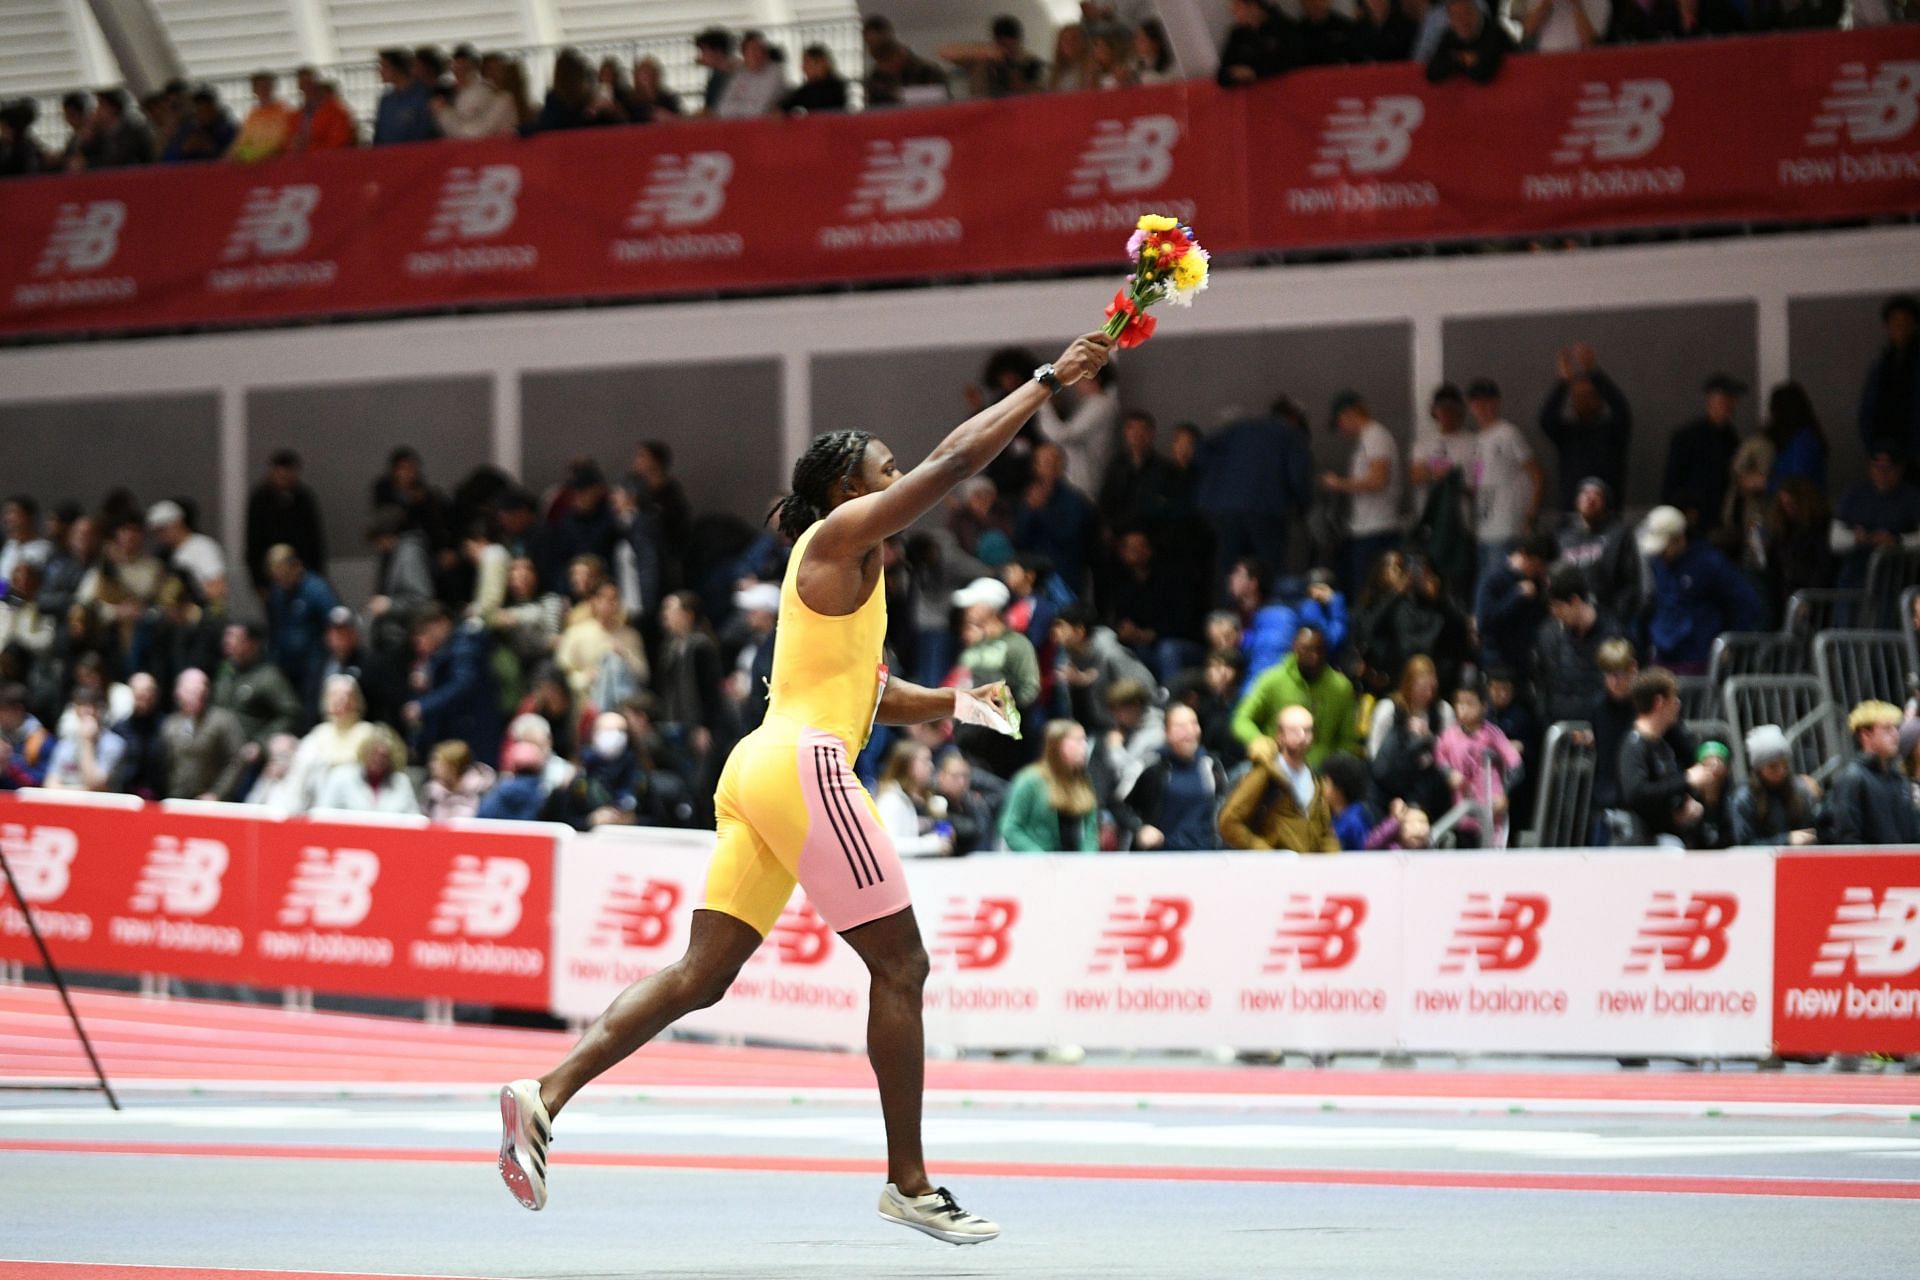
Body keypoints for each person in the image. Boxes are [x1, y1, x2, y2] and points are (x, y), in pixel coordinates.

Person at [496, 329, 1112, 1240]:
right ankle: (908, 1181)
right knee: (902, 965)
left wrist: (957, 704)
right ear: (847, 491)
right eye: (883, 468)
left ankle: (540, 1094)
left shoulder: (846, 575)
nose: (899, 474)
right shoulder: (839, 534)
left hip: (761, 766)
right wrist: (1047, 382)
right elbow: (951, 463)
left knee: (700, 975)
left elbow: (869, 691)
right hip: (804, 766)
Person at [1637, 506, 1763, 674]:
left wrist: (1730, 642)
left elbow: (1747, 603)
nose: (1660, 553)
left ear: (1680, 539)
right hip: (1662, 654)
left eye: (1664, 547)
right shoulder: (1658, 563)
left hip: (1697, 658)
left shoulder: (1710, 563)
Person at [1232, 624, 1362, 767]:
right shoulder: (1272, 680)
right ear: (1295, 648)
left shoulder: (1341, 688)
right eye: (1306, 649)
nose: (1314, 656)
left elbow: (1347, 739)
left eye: (1319, 650)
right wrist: (1259, 741)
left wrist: (1334, 766)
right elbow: (1242, 719)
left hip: (1321, 770)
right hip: (1276, 762)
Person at [1219, 706, 1339, 852]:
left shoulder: (1314, 777)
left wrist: (1332, 861)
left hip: (1309, 869)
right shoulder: (1266, 773)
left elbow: (1325, 830)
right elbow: (1229, 822)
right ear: (1280, 735)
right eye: (1294, 731)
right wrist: (1267, 853)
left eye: (1307, 730)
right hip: (1274, 871)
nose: (1302, 736)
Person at [1320, 391, 1403, 596]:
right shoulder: (1366, 439)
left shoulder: (1375, 437)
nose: (1341, 429)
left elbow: (1378, 480)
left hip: (1377, 528)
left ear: (1349, 413)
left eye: (1340, 422)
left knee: (1370, 592)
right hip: (1364, 527)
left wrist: (1338, 484)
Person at [1617, 669, 1712, 847]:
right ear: (1659, 702)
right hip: (1645, 842)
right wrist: (1686, 780)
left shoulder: (1662, 742)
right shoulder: (1634, 745)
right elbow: (1637, 793)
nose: (1678, 704)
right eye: (1673, 698)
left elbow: (1663, 789)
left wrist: (1684, 804)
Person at [1114, 704, 1225, 851]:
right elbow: (1117, 803)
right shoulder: (1151, 765)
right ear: (1166, 733)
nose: (1189, 732)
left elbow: (1222, 809)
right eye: (1180, 726)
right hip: (1162, 859)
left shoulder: (1210, 766)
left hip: (1204, 856)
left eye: (1193, 724)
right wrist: (1139, 828)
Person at [1467, 380, 1545, 588]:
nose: (1481, 408)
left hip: (1507, 525)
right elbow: (1479, 479)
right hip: (1484, 527)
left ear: (1497, 403)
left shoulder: (1508, 433)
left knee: (1502, 584)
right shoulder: (1478, 439)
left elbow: (1535, 472)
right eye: (1476, 403)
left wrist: (1531, 513)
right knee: (1486, 586)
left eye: (1487, 401)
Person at [1540, 344, 1632, 510]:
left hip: (1608, 515)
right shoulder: (1567, 434)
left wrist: (1594, 373)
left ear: (1599, 400)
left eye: (1589, 396)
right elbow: (1546, 420)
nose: (1584, 401)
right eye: (1578, 397)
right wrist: (1563, 383)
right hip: (1572, 515)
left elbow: (1622, 409)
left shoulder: (1613, 430)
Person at [1435, 680, 1522, 847]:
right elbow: (1439, 759)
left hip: (1490, 815)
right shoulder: (1448, 735)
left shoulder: (1492, 734)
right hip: (1462, 814)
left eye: (1469, 703)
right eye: (1459, 703)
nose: (1463, 709)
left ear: (1483, 707)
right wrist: (1449, 774)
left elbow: (1516, 766)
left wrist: (1504, 793)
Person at [1819, 701, 1920, 845]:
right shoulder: (1852, 778)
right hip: (1871, 866)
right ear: (1866, 735)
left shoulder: (1899, 780)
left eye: (1896, 728)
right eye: (1887, 729)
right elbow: (1848, 839)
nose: (1896, 735)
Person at [1534, 567, 1623, 725]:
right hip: (1560, 730)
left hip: (1599, 728)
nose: (1554, 612)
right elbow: (1545, 687)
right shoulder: (1549, 634)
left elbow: (1613, 690)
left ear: (1575, 600)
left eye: (1558, 606)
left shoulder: (1612, 635)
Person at [1661, 375, 1748, 533]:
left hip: (1721, 518)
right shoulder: (1688, 438)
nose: (1732, 404)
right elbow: (1672, 482)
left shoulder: (1731, 439)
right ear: (1712, 400)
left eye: (1733, 399)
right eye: (1726, 399)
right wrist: (1684, 508)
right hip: (1695, 518)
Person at [1000, 720, 1100, 853]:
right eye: (1078, 741)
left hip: (1074, 865)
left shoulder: (1083, 781)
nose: (1085, 747)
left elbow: (1091, 830)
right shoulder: (1029, 780)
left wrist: (1087, 860)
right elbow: (1010, 828)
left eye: (1085, 740)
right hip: (1036, 865)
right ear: (1058, 745)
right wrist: (1040, 857)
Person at [1555, 477, 1642, 623]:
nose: (1590, 499)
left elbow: (1630, 584)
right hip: (1570, 618)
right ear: (1577, 500)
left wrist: (1616, 618)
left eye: (1597, 495)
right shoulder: (1563, 537)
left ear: (1605, 503)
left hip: (1607, 618)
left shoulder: (1619, 535)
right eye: (1585, 493)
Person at [1830, 449, 1920, 589]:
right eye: (1877, 466)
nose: (1882, 472)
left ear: (1900, 468)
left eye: (1888, 467)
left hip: (1894, 581)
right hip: (1855, 578)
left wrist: (1897, 540)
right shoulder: (1853, 495)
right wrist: (1856, 538)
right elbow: (1835, 540)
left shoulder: (1912, 497)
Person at [1474, 533, 1556, 680]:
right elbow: (1484, 623)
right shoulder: (1493, 578)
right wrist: (1516, 596)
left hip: (1527, 663)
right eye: (1537, 565)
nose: (1540, 571)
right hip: (1499, 664)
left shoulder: (1538, 583)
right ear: (1524, 554)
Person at [245, 449, 326, 597]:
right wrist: (259, 582)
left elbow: (314, 540)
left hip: (303, 573)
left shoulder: (304, 499)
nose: (283, 478)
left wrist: (316, 574)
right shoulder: (260, 500)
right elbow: (253, 542)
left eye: (287, 473)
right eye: (279, 473)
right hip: (269, 576)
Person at [161, 669, 246, 801]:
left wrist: (218, 793)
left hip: (211, 800)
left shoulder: (223, 721)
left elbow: (237, 760)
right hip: (176, 798)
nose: (197, 696)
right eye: (191, 691)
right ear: (178, 693)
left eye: (201, 691)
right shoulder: (170, 724)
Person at [1729, 725, 1821, 846]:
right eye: (1773, 766)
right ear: (1759, 769)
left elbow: (1816, 829)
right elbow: (1745, 845)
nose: (1781, 771)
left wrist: (1819, 801)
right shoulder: (1744, 798)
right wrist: (1786, 840)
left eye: (1784, 764)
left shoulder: (1799, 789)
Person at [1859, 295, 1920, 465]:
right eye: (1895, 321)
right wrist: (1870, 442)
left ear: (1914, 325)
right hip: (1882, 448)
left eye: (1905, 321)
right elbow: (1868, 406)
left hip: (1913, 451)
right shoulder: (1881, 364)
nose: (1900, 326)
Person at [313, 727, 418, 815]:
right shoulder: (340, 776)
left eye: (384, 756)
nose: (378, 760)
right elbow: (322, 813)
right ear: (364, 752)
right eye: (374, 754)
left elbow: (415, 820)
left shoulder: (401, 782)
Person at [942, 15, 1047, 98]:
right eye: (1001, 44)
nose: (1006, 50)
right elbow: (945, 52)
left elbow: (1041, 93)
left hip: (1018, 111)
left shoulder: (1028, 60)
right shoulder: (982, 57)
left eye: (1010, 45)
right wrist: (983, 51)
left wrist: (1019, 82)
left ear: (1018, 41)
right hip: (983, 111)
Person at [147, 500, 227, 602]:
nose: (159, 536)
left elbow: (218, 586)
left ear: (177, 523)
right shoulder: (167, 553)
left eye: (162, 530)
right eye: (156, 532)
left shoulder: (201, 546)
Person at [875, 739, 943, 849]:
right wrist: (932, 844)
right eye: (925, 761)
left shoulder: (909, 798)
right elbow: (889, 845)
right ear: (907, 764)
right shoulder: (891, 800)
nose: (931, 766)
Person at [1426, 0, 1512, 83]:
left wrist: (1457, 62)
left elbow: (1484, 73)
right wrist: (1462, 59)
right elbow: (1432, 73)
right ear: (1450, 20)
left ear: (1476, 13)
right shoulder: (1449, 37)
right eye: (1456, 16)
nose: (1463, 21)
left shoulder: (1494, 34)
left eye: (1466, 14)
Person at [227, 72, 297, 163]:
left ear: (272, 87)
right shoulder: (253, 114)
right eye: (259, 86)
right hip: (254, 164)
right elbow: (242, 140)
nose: (263, 89)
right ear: (254, 90)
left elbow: (281, 140)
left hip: (276, 162)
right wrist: (233, 155)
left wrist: (259, 154)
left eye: (266, 86)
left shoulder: (284, 110)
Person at [715, 31, 787, 118]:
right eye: (750, 50)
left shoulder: (775, 72)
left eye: (759, 50)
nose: (755, 55)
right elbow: (722, 108)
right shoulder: (740, 73)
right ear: (743, 54)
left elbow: (760, 109)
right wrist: (745, 106)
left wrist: (737, 106)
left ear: (765, 53)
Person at [1218, 0, 1289, 86]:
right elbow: (1222, 73)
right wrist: (1234, 74)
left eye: (1238, 6)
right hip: (1253, 94)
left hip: (1283, 87)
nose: (1233, 11)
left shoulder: (1283, 27)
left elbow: (1292, 61)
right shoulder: (1237, 34)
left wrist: (1254, 72)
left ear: (1252, 5)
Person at [423, 740, 496, 823]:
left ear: (453, 766)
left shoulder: (482, 792)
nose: (432, 766)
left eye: (438, 761)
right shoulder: (433, 792)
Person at [782, 44, 849, 114]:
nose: (803, 68)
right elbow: (785, 107)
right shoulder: (806, 91)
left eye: (808, 63)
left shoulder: (838, 88)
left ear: (821, 63)